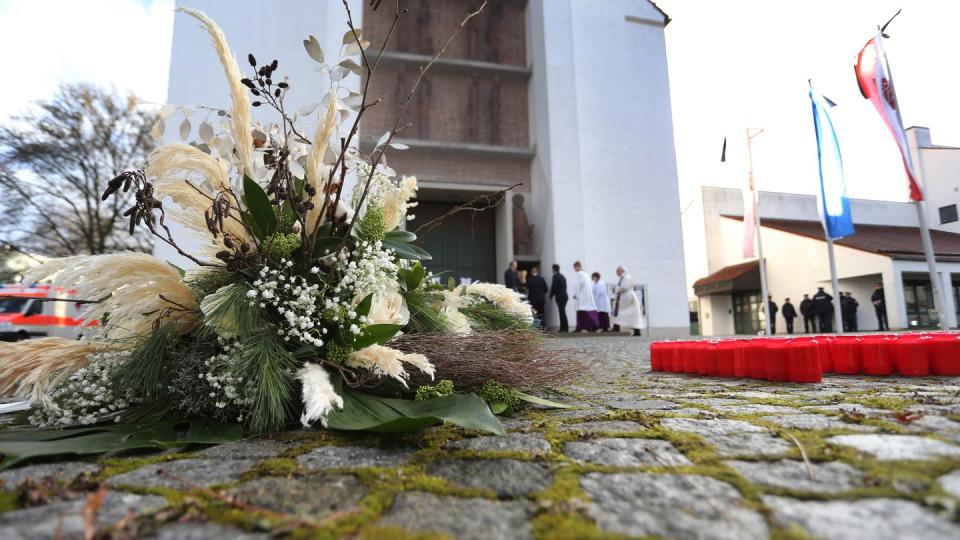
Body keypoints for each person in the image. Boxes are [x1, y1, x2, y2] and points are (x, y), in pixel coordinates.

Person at [612, 266, 643, 336]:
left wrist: (616, 289)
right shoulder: (623, 278)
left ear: (621, 271)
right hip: (624, 298)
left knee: (627, 313)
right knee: (619, 312)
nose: (616, 273)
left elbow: (624, 288)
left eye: (617, 271)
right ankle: (616, 326)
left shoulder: (626, 278)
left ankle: (636, 331)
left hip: (627, 298)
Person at [571, 261, 599, 332]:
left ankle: (580, 327)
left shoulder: (579, 274)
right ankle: (591, 326)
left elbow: (579, 285)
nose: (574, 269)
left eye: (575, 267)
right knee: (587, 311)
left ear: (578, 266)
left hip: (581, 297)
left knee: (582, 311)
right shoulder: (585, 274)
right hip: (587, 296)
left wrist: (576, 295)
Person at [548, 264, 569, 332]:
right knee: (562, 312)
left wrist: (550, 296)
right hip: (564, 296)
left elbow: (554, 287)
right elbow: (565, 287)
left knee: (561, 312)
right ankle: (565, 327)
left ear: (554, 269)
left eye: (552, 269)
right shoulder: (562, 276)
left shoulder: (555, 277)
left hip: (560, 297)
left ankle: (563, 328)